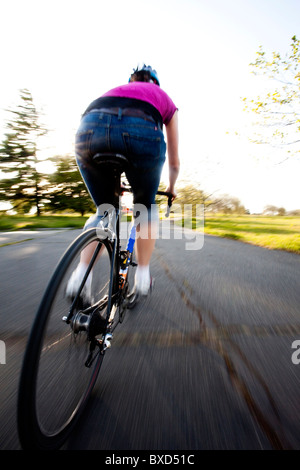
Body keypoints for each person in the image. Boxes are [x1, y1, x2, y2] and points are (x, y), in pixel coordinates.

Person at [67, 64, 180, 301]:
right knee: (145, 209)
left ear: (132, 80)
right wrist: (170, 187)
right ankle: (143, 276)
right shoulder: (162, 97)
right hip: (142, 133)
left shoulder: (115, 90)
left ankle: (81, 275)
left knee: (105, 209)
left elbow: (108, 129)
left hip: (89, 130)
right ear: (155, 83)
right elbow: (174, 162)